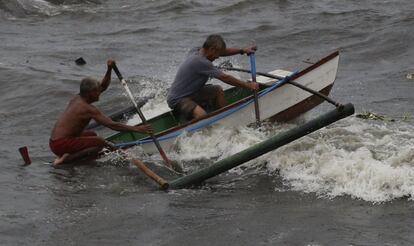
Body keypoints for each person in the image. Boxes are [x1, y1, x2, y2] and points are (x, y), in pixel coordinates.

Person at [49, 59, 152, 166]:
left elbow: (103, 85)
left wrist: (109, 69)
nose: (100, 92)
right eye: (97, 91)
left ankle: (71, 154)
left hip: (55, 143)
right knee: (99, 141)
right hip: (60, 144)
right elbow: (112, 125)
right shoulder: (87, 108)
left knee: (92, 134)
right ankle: (67, 159)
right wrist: (137, 129)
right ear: (90, 93)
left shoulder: (78, 98)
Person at [167, 34, 259, 120]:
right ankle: (197, 131)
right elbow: (225, 78)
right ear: (211, 49)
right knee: (202, 115)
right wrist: (249, 86)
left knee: (217, 90)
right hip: (178, 99)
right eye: (217, 54)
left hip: (192, 92)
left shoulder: (197, 50)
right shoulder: (201, 62)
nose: (218, 57)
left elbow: (223, 52)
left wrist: (242, 51)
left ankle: (228, 118)